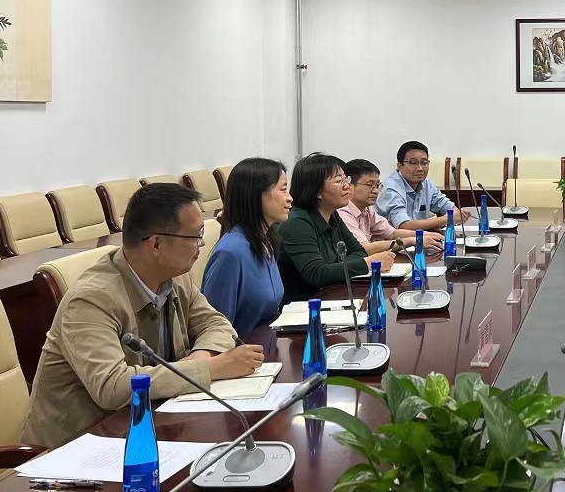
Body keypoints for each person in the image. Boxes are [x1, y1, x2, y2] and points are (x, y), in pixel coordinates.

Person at [21, 184, 263, 449]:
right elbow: (112, 387)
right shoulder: (91, 300)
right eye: (195, 236)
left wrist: (199, 358)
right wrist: (211, 368)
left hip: (144, 428)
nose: (201, 245)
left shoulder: (175, 278)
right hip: (76, 449)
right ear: (156, 244)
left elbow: (216, 324)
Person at [201, 158, 292, 338]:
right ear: (256, 195)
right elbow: (215, 331)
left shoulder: (266, 240)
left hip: (268, 344)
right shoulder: (230, 253)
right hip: (243, 351)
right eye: (283, 190)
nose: (289, 198)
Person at [277, 153, 373, 303]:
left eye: (346, 179)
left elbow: (359, 251)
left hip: (331, 297)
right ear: (317, 191)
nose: (347, 186)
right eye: (339, 181)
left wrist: (332, 268)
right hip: (304, 307)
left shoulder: (332, 215)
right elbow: (317, 273)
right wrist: (368, 263)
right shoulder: (297, 223)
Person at [376, 141, 471, 236]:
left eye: (424, 163)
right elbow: (403, 225)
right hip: (393, 241)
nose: (420, 168)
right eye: (413, 163)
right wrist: (446, 219)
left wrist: (456, 215)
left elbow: (450, 208)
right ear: (400, 166)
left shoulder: (426, 184)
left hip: (419, 239)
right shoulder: (390, 189)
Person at [337, 158, 423, 257]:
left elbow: (392, 233)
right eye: (370, 185)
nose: (375, 191)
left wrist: (425, 236)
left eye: (377, 185)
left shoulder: (367, 209)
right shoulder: (342, 212)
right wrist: (412, 240)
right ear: (349, 185)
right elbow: (364, 249)